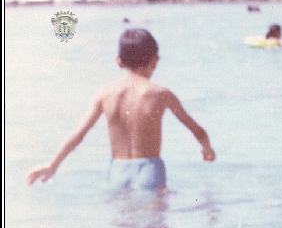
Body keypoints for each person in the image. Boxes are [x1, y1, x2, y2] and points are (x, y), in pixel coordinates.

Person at [26, 29, 215, 190]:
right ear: (155, 60)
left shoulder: (105, 94)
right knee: (155, 227)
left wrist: (53, 165)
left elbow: (79, 134)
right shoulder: (161, 94)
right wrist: (207, 149)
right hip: (150, 170)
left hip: (117, 172)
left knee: (123, 227)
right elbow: (197, 130)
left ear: (119, 61)